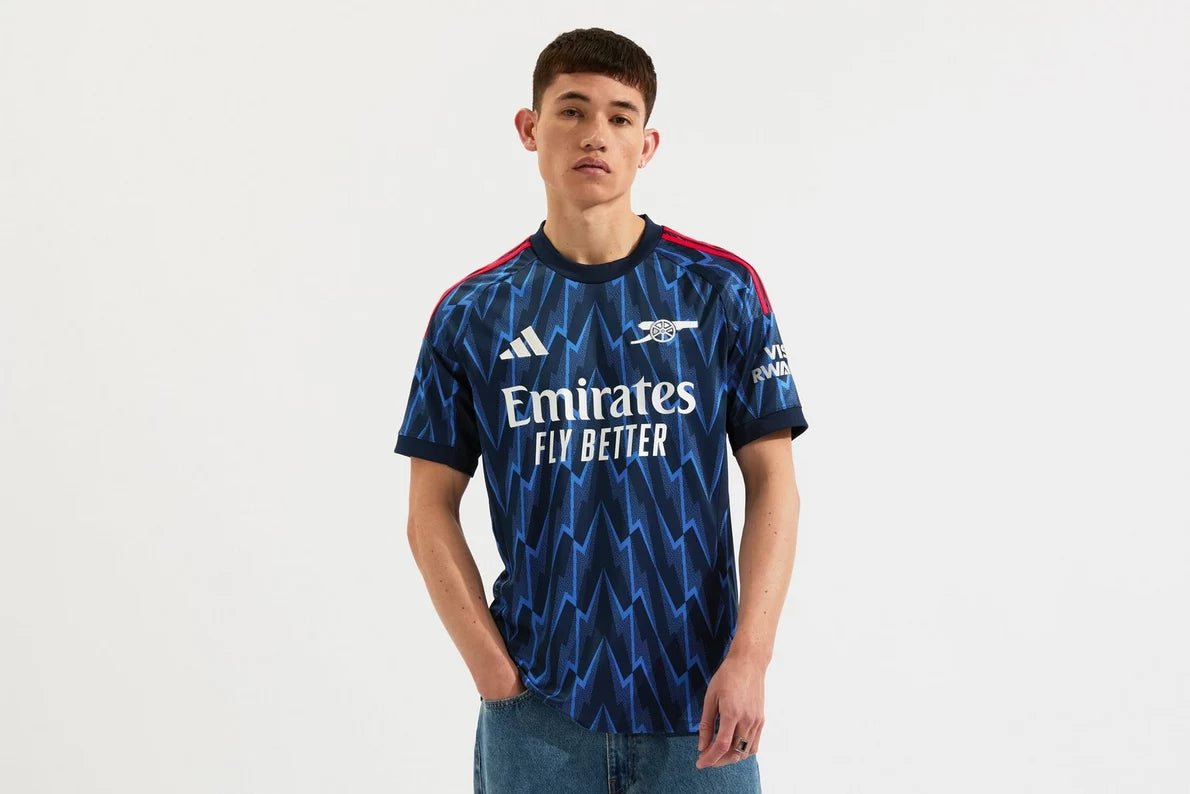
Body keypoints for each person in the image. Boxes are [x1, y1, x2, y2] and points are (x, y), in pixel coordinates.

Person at [394, 27, 808, 793]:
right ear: (529, 128)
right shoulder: (473, 313)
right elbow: (428, 512)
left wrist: (751, 658)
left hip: (700, 705)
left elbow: (774, 482)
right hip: (538, 713)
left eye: (620, 117)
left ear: (647, 145)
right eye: (572, 110)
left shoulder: (719, 290)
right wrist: (496, 677)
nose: (596, 134)